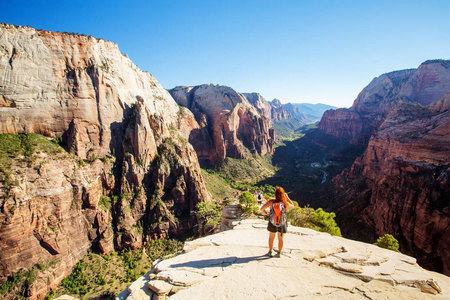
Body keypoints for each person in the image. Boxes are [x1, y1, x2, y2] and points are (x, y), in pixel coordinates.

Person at [260, 186, 294, 257]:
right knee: (281, 238)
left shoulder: (271, 202)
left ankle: (270, 252)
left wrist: (267, 214)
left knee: (271, 238)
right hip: (282, 224)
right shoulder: (285, 203)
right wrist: (287, 197)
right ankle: (279, 252)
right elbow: (293, 206)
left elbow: (262, 209)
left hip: (272, 223)